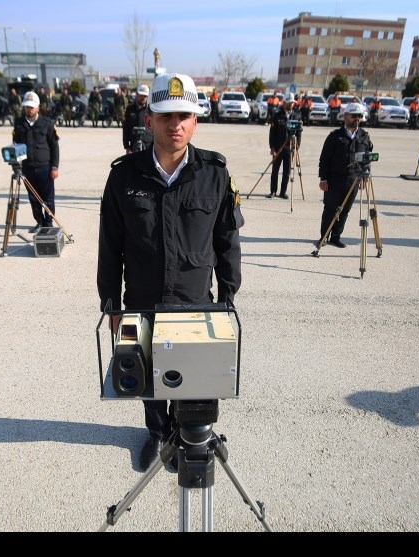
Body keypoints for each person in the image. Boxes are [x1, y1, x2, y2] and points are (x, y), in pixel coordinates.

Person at [97, 72, 244, 472]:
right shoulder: (124, 176)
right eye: (165, 116)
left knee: (189, 376)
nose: (174, 124)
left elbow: (227, 239)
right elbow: (109, 246)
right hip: (141, 300)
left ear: (195, 121)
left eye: (183, 116)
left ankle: (184, 435)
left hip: (194, 302)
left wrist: (229, 296)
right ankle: (157, 433)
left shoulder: (215, 174)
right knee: (147, 376)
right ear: (149, 120)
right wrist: (110, 304)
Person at [318, 102, 373, 248]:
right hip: (334, 179)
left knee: (345, 211)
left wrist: (365, 176)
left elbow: (367, 159)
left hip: (353, 179)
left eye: (359, 116)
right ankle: (324, 236)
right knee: (330, 209)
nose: (357, 119)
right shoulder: (334, 136)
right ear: (345, 116)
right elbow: (324, 159)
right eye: (354, 116)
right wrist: (323, 179)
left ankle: (336, 237)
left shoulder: (364, 136)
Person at [12, 92, 60, 232]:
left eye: (31, 107)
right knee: (33, 198)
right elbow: (15, 144)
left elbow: (54, 147)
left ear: (38, 108)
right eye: (27, 107)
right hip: (27, 168)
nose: (29, 110)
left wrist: (55, 167)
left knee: (48, 198)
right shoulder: (19, 123)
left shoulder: (47, 124)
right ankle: (39, 221)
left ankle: (48, 222)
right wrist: (17, 165)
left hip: (45, 168)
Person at [268, 96, 300, 199]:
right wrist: (272, 148)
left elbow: (299, 133)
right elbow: (272, 133)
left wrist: (297, 146)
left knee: (287, 172)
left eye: (293, 103)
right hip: (278, 148)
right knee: (275, 171)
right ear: (284, 103)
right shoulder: (277, 116)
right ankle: (273, 191)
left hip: (289, 148)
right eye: (289, 102)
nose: (291, 104)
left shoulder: (296, 115)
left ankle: (283, 192)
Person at [123, 84, 152, 153]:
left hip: (149, 145)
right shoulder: (130, 109)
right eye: (141, 95)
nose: (143, 98)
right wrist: (126, 146)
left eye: (145, 96)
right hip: (133, 146)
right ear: (137, 95)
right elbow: (126, 128)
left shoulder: (151, 110)